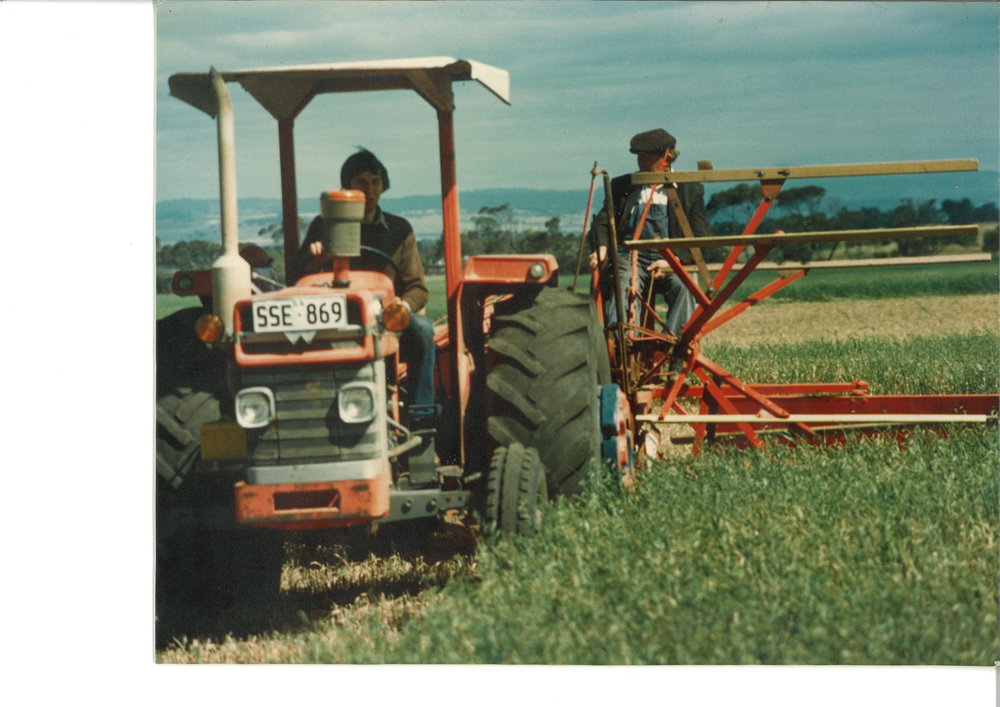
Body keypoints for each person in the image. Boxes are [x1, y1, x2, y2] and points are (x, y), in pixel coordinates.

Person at [290, 149, 438, 469]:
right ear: (346, 189)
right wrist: (316, 259)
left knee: (424, 331)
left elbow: (418, 288)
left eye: (375, 182)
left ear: (383, 187)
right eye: (360, 183)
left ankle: (422, 419)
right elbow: (296, 278)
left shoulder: (400, 229)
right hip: (335, 314)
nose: (369, 190)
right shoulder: (323, 225)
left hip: (385, 317)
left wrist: (403, 306)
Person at [588, 128, 711, 337]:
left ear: (667, 156)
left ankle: (673, 348)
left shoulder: (690, 189)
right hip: (629, 255)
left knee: (685, 289)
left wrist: (673, 262)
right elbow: (603, 222)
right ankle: (623, 347)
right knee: (624, 282)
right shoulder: (624, 186)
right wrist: (602, 249)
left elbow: (700, 238)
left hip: (670, 257)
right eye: (638, 157)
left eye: (647, 157)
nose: (640, 162)